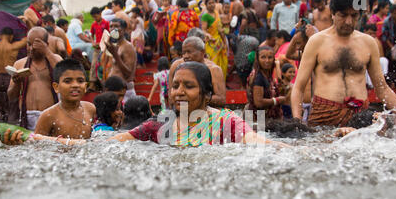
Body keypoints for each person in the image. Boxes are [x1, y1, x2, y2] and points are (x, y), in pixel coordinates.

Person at [290, 0, 396, 130]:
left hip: (360, 117)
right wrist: (297, 123)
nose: (349, 21)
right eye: (343, 15)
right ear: (333, 13)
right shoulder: (317, 41)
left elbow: (382, 89)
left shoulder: (368, 43)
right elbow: (298, 87)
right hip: (324, 115)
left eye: (354, 15)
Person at [110, 61, 289, 147]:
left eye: (189, 86)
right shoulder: (159, 125)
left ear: (207, 94)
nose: (179, 92)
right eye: (175, 86)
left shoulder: (226, 121)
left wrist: (301, 151)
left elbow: (256, 141)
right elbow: (111, 143)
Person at [0, 59, 96, 145]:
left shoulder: (90, 108)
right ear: (56, 87)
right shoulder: (48, 115)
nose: (75, 85)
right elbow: (37, 145)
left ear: (86, 86)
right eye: (67, 81)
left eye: (80, 81)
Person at [7, 27, 63, 130]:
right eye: (29, 44)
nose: (31, 48)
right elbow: (11, 96)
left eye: (36, 45)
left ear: (46, 44)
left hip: (50, 114)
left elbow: (65, 74)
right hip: (27, 116)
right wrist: (17, 83)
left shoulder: (55, 59)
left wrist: (46, 51)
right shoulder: (19, 64)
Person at [169, 36, 226, 107]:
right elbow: (171, 97)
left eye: (189, 52)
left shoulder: (214, 70)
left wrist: (195, 98)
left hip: (208, 112)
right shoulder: (176, 66)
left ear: (202, 52)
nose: (185, 56)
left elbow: (221, 99)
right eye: (184, 53)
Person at [0, 28, 27, 123]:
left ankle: (0, 122)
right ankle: (12, 122)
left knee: (0, 103)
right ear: (11, 36)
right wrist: (26, 23)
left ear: (0, 36)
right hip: (10, 78)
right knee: (12, 102)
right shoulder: (14, 47)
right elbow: (27, 39)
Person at [246, 46, 286, 121]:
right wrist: (277, 100)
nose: (267, 60)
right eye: (263, 57)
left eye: (270, 57)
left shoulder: (267, 74)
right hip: (259, 118)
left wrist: (277, 67)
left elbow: (281, 86)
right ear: (258, 59)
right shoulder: (258, 77)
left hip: (266, 117)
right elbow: (258, 102)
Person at [105, 19, 137, 104]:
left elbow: (128, 73)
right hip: (114, 91)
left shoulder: (127, 46)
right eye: (111, 26)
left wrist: (115, 55)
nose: (113, 29)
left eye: (116, 26)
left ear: (124, 29)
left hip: (124, 93)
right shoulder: (114, 46)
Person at [201, 0, 228, 78]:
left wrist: (224, 41)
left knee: (222, 61)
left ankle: (221, 79)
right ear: (206, 5)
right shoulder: (205, 16)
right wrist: (208, 35)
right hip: (211, 43)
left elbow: (219, 28)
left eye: (213, 3)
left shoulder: (216, 13)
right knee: (212, 62)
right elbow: (203, 30)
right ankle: (212, 80)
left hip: (220, 41)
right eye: (209, 3)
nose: (212, 5)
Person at [90, 7, 110, 84]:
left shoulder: (106, 23)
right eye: (93, 17)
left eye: (96, 16)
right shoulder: (93, 24)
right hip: (97, 47)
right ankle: (92, 82)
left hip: (105, 47)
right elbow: (91, 35)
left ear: (100, 14)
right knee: (94, 64)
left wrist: (104, 42)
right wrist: (93, 42)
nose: (95, 18)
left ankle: (104, 83)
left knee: (103, 65)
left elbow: (108, 34)